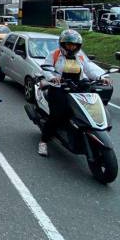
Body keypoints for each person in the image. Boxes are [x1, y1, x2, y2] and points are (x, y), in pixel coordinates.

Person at [38, 29, 108, 157]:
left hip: (78, 87)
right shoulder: (54, 54)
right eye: (69, 44)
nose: (72, 47)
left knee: (87, 109)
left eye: (74, 45)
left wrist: (101, 77)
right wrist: (52, 77)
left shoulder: (80, 56)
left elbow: (90, 68)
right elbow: (47, 68)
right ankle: (43, 141)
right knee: (57, 114)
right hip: (59, 87)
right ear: (63, 44)